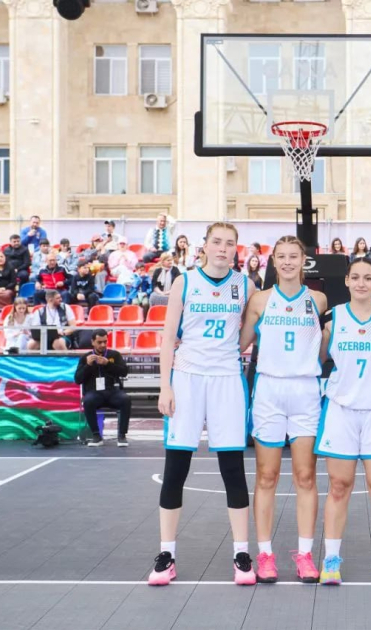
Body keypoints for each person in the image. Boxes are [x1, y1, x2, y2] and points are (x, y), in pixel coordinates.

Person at [150, 222, 255, 587]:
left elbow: (249, 332)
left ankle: (241, 554)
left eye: (230, 243)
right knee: (176, 468)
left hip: (227, 379)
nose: (223, 248)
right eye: (217, 242)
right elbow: (168, 339)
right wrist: (165, 386)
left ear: (236, 249)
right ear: (205, 246)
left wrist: (228, 351)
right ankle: (166, 555)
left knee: (233, 469)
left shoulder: (246, 286)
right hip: (187, 378)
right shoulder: (185, 282)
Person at [237, 236, 327, 584]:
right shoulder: (260, 300)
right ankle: (265, 554)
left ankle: (305, 555)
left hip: (305, 391)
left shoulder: (317, 300)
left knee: (306, 476)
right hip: (270, 391)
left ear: (304, 261)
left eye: (294, 256)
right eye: (282, 257)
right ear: (273, 261)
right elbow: (240, 344)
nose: (288, 262)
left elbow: (324, 346)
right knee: (266, 476)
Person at [315, 257, 371, 586]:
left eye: (368, 277)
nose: (361, 283)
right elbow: (318, 359)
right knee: (339, 486)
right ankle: (331, 560)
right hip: (341, 410)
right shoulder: (333, 319)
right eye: (356, 277)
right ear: (347, 281)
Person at [75, 328, 131, 446]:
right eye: (99, 342)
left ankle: (122, 436)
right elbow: (78, 379)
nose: (103, 345)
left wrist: (108, 364)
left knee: (125, 399)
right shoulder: (85, 358)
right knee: (88, 401)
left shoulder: (114, 355)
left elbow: (124, 372)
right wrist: (88, 365)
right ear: (92, 342)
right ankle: (96, 436)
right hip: (94, 392)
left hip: (112, 391)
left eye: (105, 342)